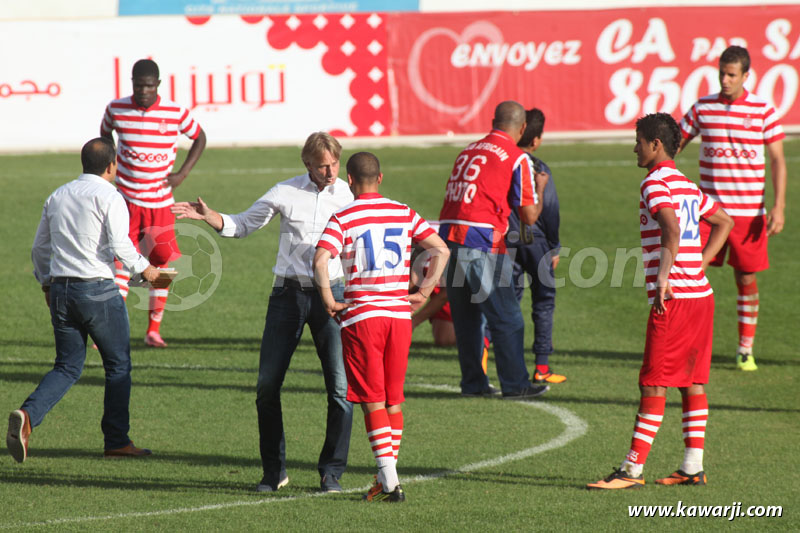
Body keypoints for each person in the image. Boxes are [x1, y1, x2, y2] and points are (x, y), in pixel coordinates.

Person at [171, 132, 354, 494]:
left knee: (340, 389)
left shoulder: (350, 196)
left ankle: (331, 473)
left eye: (334, 163)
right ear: (307, 164)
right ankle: (274, 472)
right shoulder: (284, 192)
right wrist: (211, 217)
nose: (330, 171)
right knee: (267, 386)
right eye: (322, 165)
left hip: (333, 295)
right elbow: (243, 224)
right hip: (287, 295)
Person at [587, 113, 733, 490]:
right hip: (701, 295)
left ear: (655, 144)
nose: (634, 147)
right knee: (692, 382)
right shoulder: (685, 185)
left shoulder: (653, 183)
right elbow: (724, 221)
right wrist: (701, 263)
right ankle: (692, 466)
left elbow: (669, 228)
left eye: (638, 141)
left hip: (677, 299)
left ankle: (631, 470)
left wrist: (664, 277)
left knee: (653, 383)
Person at [6, 137, 165, 463]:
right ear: (111, 166)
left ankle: (28, 416)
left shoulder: (58, 195)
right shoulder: (111, 196)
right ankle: (117, 441)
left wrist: (46, 285)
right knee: (118, 365)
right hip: (98, 291)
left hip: (62, 290)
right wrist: (147, 270)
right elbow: (122, 245)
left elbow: (39, 249)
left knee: (66, 366)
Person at [314, 152, 450, 502]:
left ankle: (390, 483)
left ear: (349, 180)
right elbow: (441, 249)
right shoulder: (403, 211)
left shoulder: (343, 216)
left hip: (363, 318)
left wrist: (329, 299)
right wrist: (423, 290)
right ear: (381, 178)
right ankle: (383, 477)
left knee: (372, 400)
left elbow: (320, 259)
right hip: (399, 318)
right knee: (392, 399)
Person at [678, 45, 787, 371]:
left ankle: (744, 349)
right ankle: (688, 346)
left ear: (745, 76)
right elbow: (675, 143)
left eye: (731, 75)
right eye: (721, 73)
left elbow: (778, 159)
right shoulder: (702, 108)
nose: (725, 80)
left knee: (746, 278)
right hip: (705, 213)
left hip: (748, 212)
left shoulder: (763, 111)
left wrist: (779, 206)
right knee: (691, 275)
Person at [438, 100, 549, 399]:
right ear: (523, 128)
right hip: (481, 239)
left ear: (493, 121)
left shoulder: (469, 149)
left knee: (467, 320)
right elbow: (528, 216)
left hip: (448, 237)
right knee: (507, 317)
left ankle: (473, 384)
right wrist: (540, 188)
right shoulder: (517, 157)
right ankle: (515, 384)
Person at [101, 58, 207, 348]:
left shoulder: (174, 112)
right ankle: (110, 332)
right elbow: (104, 133)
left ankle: (153, 330)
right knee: (120, 262)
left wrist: (182, 174)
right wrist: (110, 164)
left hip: (160, 204)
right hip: (126, 201)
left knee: (159, 264)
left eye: (149, 85)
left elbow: (200, 137)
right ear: (132, 84)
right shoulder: (116, 108)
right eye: (138, 85)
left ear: (157, 85)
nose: (144, 90)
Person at [506, 108, 565, 385]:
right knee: (543, 302)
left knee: (507, 302)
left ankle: (483, 356)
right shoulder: (539, 167)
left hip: (507, 240)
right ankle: (542, 366)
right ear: (536, 139)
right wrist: (554, 245)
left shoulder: (503, 162)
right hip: (536, 241)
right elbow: (549, 210)